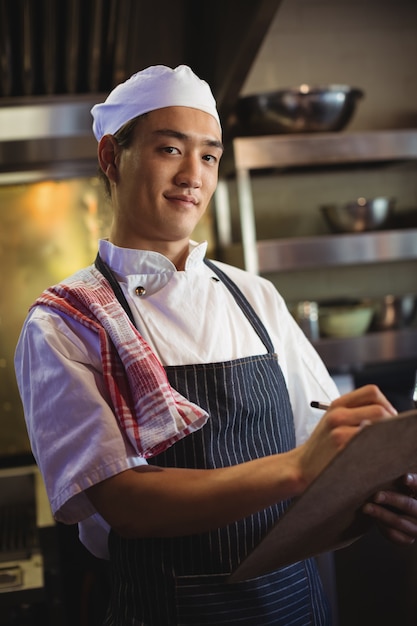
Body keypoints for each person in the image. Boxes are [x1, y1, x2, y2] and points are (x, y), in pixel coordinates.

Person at [14, 65, 417, 625]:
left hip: (297, 609)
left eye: (208, 156)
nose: (192, 176)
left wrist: (379, 500)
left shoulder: (254, 295)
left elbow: (329, 460)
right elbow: (124, 502)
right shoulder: (64, 324)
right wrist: (298, 468)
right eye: (170, 149)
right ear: (111, 157)